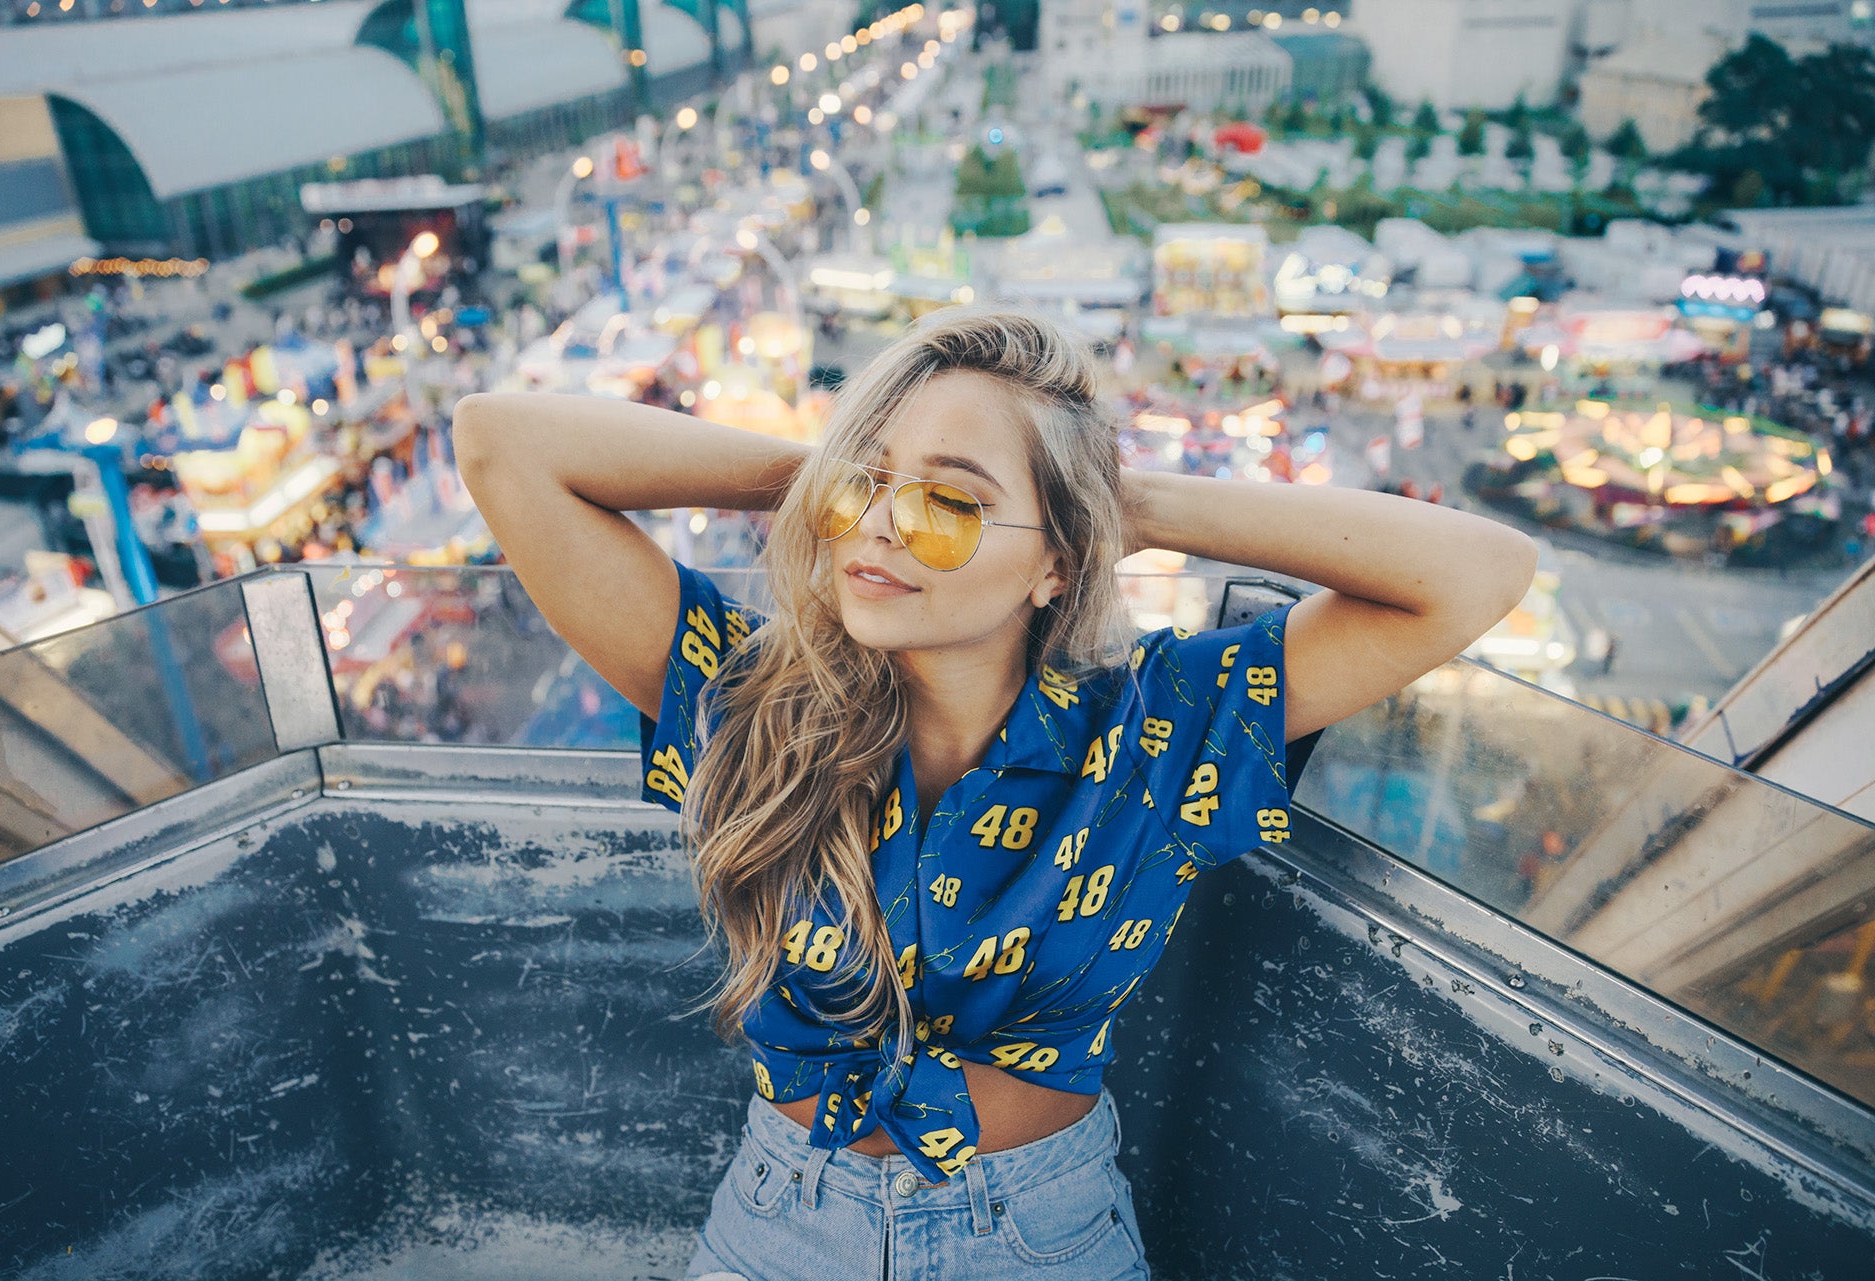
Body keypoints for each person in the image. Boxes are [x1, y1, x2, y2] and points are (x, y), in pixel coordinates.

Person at [453, 309, 1536, 1281]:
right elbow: (503, 441)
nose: (881, 525)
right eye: (863, 490)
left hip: (1040, 1234)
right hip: (783, 1222)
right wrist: (845, 468)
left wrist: (1129, 504)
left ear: (1056, 564)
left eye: (951, 507)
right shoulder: (749, 700)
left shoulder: (1160, 729)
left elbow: (1476, 571)